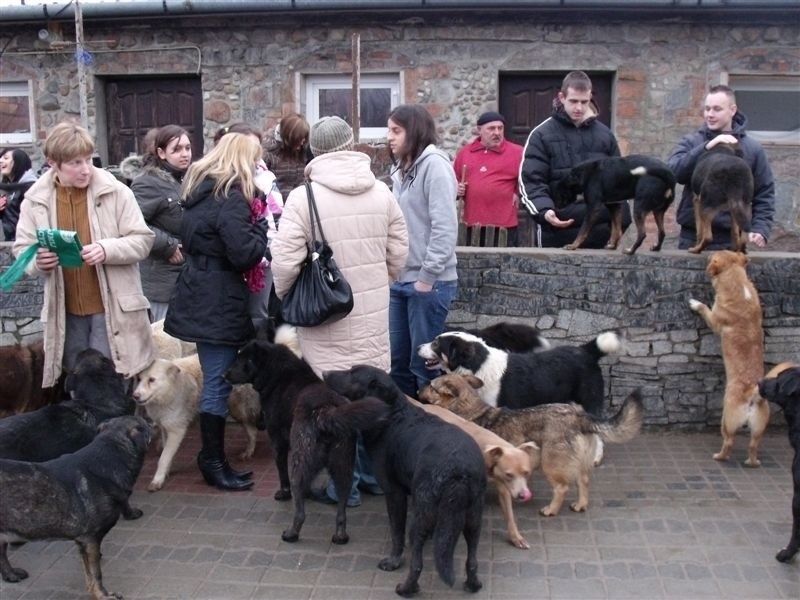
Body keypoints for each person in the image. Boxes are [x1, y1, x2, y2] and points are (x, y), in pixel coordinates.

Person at [271, 116, 408, 506]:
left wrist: (290, 296)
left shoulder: (304, 197)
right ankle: (373, 476)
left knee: (334, 404)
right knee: (370, 395)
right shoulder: (381, 191)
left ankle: (341, 488)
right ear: (351, 145)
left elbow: (283, 263)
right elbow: (400, 249)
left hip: (325, 316)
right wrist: (382, 280)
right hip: (372, 309)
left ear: (315, 149)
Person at [12, 122, 155, 389]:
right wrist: (37, 262)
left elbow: (143, 240)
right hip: (66, 313)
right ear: (53, 163)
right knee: (77, 389)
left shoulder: (117, 191)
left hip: (112, 310)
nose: (86, 169)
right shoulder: (35, 199)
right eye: (75, 163)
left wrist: (106, 249)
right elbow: (22, 249)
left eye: (88, 160)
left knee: (111, 387)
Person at [164, 133, 268, 492]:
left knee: (216, 378)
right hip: (218, 297)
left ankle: (212, 458)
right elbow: (244, 254)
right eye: (254, 160)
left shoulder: (198, 193)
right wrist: (263, 229)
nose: (257, 167)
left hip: (199, 290)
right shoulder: (232, 198)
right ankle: (212, 461)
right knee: (218, 384)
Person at [387, 104, 459, 398]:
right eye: (388, 130)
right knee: (398, 365)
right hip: (400, 281)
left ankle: (435, 432)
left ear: (413, 131)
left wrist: (426, 278)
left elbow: (445, 227)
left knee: (424, 367)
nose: (389, 137)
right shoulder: (401, 170)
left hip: (429, 283)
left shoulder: (435, 166)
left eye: (396, 131)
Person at [519, 70, 631, 248]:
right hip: (558, 231)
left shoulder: (605, 135)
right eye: (573, 101)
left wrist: (620, 219)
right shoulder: (541, 135)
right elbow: (531, 181)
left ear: (590, 98)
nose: (579, 107)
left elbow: (618, 182)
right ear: (562, 97)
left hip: (600, 234)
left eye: (584, 102)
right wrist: (544, 211)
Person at [668, 84, 775, 250]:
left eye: (717, 109)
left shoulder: (752, 149)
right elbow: (674, 172)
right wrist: (706, 147)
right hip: (693, 237)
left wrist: (760, 228)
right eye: (707, 109)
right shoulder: (692, 142)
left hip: (732, 240)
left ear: (732, 110)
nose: (710, 114)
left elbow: (764, 193)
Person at [216, 122, 283, 329]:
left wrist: (267, 252)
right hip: (229, 260)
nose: (253, 153)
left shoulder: (265, 177)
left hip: (262, 259)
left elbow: (277, 217)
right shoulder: (219, 179)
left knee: (258, 314)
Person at [131, 125, 192, 322]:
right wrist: (167, 245)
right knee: (165, 345)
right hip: (162, 281)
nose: (185, 154)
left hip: (188, 278)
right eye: (177, 149)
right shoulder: (147, 182)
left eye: (187, 148)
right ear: (161, 153)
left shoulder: (187, 179)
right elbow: (133, 224)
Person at [453, 111, 523, 247]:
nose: (497, 132)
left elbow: (529, 182)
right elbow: (453, 183)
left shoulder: (517, 152)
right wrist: (457, 189)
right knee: (473, 265)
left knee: (505, 266)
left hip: (505, 226)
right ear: (479, 130)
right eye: (491, 128)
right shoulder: (465, 153)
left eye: (500, 128)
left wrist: (517, 192)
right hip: (473, 225)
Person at [263, 112, 311, 203]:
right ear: (288, 137)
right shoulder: (268, 153)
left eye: (304, 137)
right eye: (299, 138)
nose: (303, 141)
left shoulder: (305, 149)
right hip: (277, 207)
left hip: (302, 203)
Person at [0, 148, 37, 241]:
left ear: (18, 162)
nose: (0, 160)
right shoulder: (9, 188)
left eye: (6, 158)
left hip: (25, 244)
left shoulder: (31, 188)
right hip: (10, 243)